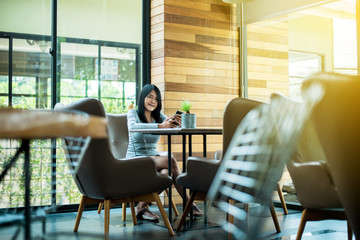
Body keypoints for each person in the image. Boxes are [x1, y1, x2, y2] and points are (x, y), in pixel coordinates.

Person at [126, 84, 202, 221]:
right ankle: (190, 204)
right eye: (150, 97)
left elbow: (169, 124)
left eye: (156, 99)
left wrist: (175, 122)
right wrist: (161, 125)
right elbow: (133, 127)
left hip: (153, 158)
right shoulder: (133, 113)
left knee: (166, 173)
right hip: (135, 159)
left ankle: (141, 207)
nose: (153, 101)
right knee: (170, 160)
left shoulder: (158, 116)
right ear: (142, 97)